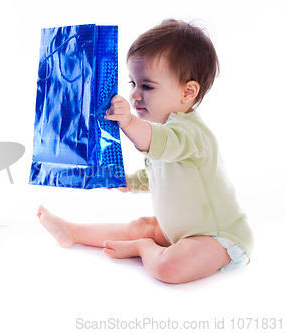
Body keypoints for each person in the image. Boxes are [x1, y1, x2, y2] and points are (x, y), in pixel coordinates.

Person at [37, 19, 254, 284]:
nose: (135, 96)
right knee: (141, 225)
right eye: (133, 83)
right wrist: (130, 180)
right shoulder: (169, 131)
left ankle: (143, 248)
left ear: (188, 92)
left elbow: (155, 142)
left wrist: (127, 121)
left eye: (147, 86)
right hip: (180, 229)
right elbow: (160, 170)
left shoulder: (190, 133)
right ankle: (74, 232)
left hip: (218, 237)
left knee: (169, 268)